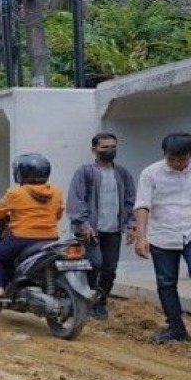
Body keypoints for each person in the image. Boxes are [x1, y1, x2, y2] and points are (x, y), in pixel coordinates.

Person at [133, 132, 191, 343]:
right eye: (171, 158)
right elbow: (142, 205)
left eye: (181, 159)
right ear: (165, 155)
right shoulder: (150, 173)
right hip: (162, 234)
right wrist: (141, 237)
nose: (176, 163)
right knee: (166, 282)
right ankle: (175, 327)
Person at [0, 153, 65, 300]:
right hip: (51, 239)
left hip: (22, 238)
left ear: (21, 173)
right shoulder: (56, 192)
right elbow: (58, 214)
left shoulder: (15, 193)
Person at [68, 132, 137, 320]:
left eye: (113, 147)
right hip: (90, 231)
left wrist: (131, 225)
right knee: (94, 263)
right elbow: (76, 199)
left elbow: (131, 200)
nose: (109, 151)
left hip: (113, 230)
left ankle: (100, 302)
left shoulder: (122, 173)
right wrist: (83, 223)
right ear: (94, 149)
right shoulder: (85, 172)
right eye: (105, 147)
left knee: (110, 269)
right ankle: (86, 298)